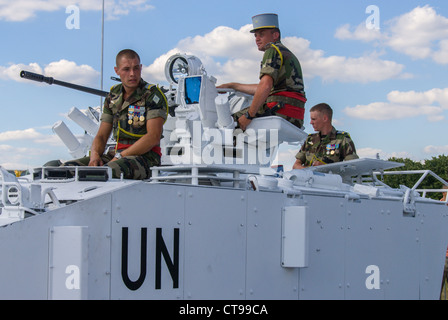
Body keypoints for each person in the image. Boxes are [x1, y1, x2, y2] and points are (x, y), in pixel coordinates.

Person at [60, 49, 167, 180]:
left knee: (104, 173)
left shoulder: (152, 95)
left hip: (146, 158)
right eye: (126, 69)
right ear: (117, 71)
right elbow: (101, 135)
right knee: (64, 170)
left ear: (141, 68)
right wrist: (94, 156)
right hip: (116, 155)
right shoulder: (113, 96)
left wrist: (120, 156)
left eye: (136, 68)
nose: (132, 74)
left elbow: (153, 137)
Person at [217, 13, 306, 131]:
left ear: (275, 35)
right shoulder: (287, 54)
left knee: (225, 123)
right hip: (295, 114)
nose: (257, 39)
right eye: (255, 36)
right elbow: (263, 88)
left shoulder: (272, 50)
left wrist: (249, 115)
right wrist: (233, 86)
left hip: (279, 109)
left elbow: (265, 86)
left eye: (262, 35)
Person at [293, 103, 358, 169]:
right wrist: (309, 171)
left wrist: (326, 167)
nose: (311, 122)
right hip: (309, 178)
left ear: (325, 118)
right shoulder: (310, 139)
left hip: (331, 178)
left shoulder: (342, 139)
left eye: (314, 119)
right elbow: (296, 165)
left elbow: (353, 167)